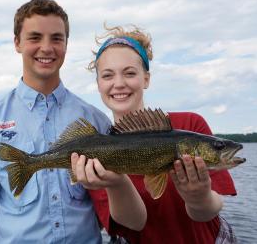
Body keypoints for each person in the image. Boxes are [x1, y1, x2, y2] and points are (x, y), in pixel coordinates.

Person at [0, 0, 146, 243]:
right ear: (17, 43)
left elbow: (118, 216)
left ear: (66, 44)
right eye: (34, 37)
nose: (46, 47)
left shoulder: (96, 121)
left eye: (56, 38)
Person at [71, 25, 238, 243]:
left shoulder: (190, 123)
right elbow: (133, 224)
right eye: (108, 75)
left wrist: (199, 198)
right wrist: (116, 182)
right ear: (98, 84)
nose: (119, 83)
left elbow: (208, 211)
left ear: (146, 78)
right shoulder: (95, 150)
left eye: (130, 73)